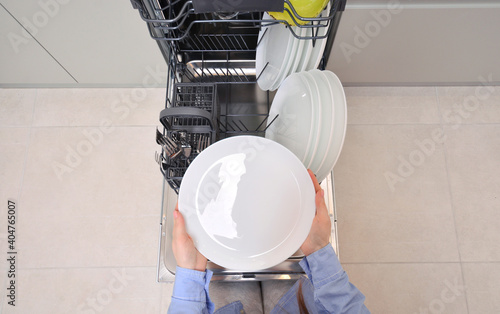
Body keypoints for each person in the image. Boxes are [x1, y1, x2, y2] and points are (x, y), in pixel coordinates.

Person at [168, 170, 370, 313]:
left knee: (240, 287)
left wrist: (192, 272)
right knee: (271, 285)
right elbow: (348, 308)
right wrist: (317, 248)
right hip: (301, 308)